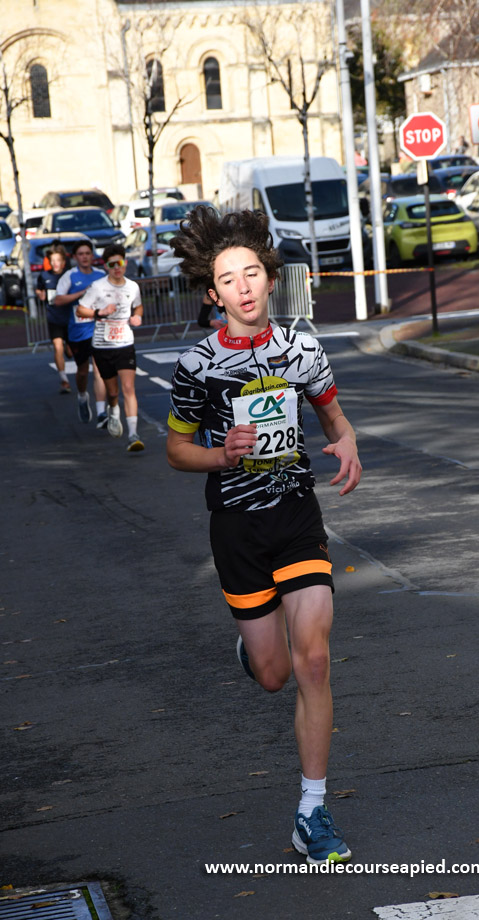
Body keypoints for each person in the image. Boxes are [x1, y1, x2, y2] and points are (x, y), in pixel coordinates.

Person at [166, 208, 362, 864]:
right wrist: (221, 454)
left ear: (271, 279)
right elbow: (175, 450)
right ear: (213, 293)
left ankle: (312, 811)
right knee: (276, 675)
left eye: (252, 273)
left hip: (296, 518)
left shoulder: (303, 350)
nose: (243, 287)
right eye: (229, 279)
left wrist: (347, 444)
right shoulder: (197, 365)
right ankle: (254, 654)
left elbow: (333, 418)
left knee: (314, 661)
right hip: (238, 530)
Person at [76, 244, 145, 452]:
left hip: (125, 343)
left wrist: (137, 316)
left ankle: (133, 435)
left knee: (128, 388)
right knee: (112, 392)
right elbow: (80, 310)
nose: (117, 268)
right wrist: (100, 312)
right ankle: (113, 409)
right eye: (112, 264)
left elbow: (138, 305)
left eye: (120, 263)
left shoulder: (132, 287)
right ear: (106, 266)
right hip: (102, 345)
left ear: (125, 263)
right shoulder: (97, 287)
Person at [55, 240, 107, 426]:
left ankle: (101, 412)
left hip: (98, 328)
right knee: (83, 371)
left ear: (92, 255)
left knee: (99, 370)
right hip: (78, 331)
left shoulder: (101, 275)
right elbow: (58, 300)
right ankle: (83, 396)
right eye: (81, 254)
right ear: (75, 257)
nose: (85, 257)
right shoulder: (70, 276)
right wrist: (82, 293)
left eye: (87, 253)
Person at [36, 243, 71, 393]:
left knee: (71, 351)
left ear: (63, 262)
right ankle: (64, 380)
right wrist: (40, 294)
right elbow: (39, 289)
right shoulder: (45, 276)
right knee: (57, 347)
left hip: (70, 317)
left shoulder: (69, 275)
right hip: (54, 317)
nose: (55, 263)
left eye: (58, 260)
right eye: (53, 260)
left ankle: (69, 350)